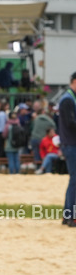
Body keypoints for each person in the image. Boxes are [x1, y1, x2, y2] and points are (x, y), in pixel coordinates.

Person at [59, 73, 76, 227]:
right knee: (75, 181)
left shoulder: (70, 98)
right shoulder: (68, 100)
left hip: (70, 144)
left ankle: (67, 216)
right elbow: (71, 123)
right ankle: (71, 217)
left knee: (74, 180)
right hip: (71, 145)